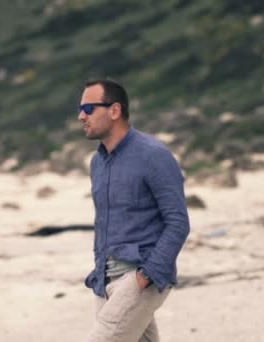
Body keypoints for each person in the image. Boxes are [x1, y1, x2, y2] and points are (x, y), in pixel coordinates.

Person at [78, 79, 191, 342]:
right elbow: (103, 223)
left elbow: (178, 221)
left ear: (114, 110)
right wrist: (99, 277)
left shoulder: (153, 155)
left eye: (89, 108)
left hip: (139, 278)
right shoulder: (98, 163)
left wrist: (147, 276)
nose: (81, 115)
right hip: (105, 280)